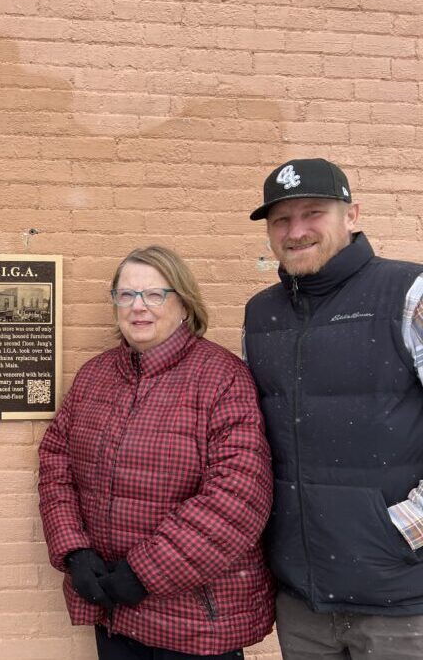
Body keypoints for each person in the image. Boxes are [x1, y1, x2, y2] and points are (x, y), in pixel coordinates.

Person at [38, 245, 275, 660]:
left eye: (154, 294)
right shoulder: (95, 376)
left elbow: (237, 498)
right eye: (126, 295)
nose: (138, 307)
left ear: (183, 303)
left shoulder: (222, 378)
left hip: (194, 620)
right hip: (112, 608)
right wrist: (74, 550)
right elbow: (56, 464)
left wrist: (143, 573)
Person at [244, 158, 423, 659]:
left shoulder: (409, 294)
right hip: (303, 600)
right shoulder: (261, 315)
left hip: (401, 600)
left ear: (352, 214)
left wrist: (401, 530)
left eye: (313, 213)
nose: (296, 231)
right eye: (281, 219)